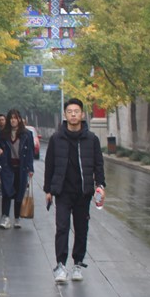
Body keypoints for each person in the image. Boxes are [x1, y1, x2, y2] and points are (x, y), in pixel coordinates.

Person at [44, 98, 106, 284]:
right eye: (70, 111)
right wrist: (48, 190)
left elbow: (98, 164)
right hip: (63, 192)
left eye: (76, 111)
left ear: (82, 114)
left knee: (81, 229)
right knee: (62, 227)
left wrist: (100, 185)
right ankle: (61, 266)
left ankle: (77, 263)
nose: (73, 114)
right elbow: (49, 165)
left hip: (83, 192)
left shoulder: (91, 139)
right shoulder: (56, 138)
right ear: (65, 115)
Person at [0, 108, 35, 230]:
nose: (13, 120)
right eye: (11, 118)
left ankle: (17, 217)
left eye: (15, 118)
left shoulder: (27, 134)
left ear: (19, 119)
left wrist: (30, 168)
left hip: (21, 168)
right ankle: (5, 217)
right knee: (7, 192)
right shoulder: (3, 134)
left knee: (19, 192)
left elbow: (30, 152)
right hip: (7, 167)